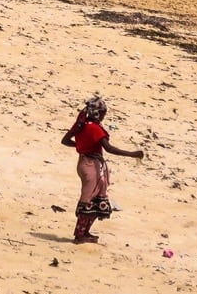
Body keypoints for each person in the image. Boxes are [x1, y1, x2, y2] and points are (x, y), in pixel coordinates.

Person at [61, 95, 145, 244]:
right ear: (98, 113)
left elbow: (65, 140)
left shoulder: (81, 125)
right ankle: (80, 234)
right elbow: (109, 148)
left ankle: (84, 232)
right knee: (89, 199)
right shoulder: (94, 128)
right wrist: (132, 154)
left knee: (93, 198)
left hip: (83, 162)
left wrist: (82, 147)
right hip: (91, 166)